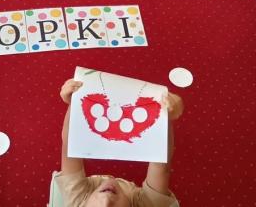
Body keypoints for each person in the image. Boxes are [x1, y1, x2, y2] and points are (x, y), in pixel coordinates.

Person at [55, 78, 183, 206]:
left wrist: (75, 102)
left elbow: (69, 145)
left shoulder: (76, 201)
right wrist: (166, 114)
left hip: (90, 188)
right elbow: (161, 165)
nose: (106, 200)